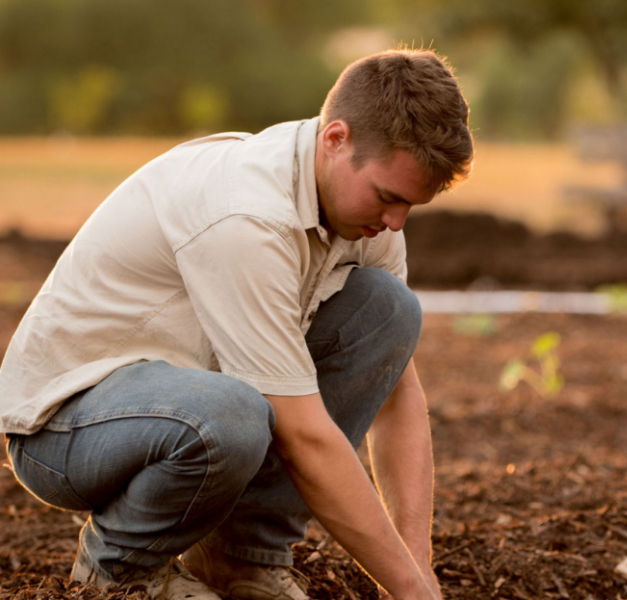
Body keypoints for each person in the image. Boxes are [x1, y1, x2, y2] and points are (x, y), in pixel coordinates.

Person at [0, 48, 473, 600]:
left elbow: (395, 394)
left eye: (410, 206)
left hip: (187, 398)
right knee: (234, 414)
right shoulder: (245, 215)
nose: (396, 222)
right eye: (388, 197)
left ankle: (239, 559)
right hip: (65, 427)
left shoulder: (367, 218)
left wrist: (419, 572)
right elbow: (304, 437)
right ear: (335, 139)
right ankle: (119, 569)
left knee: (388, 310)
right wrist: (409, 594)